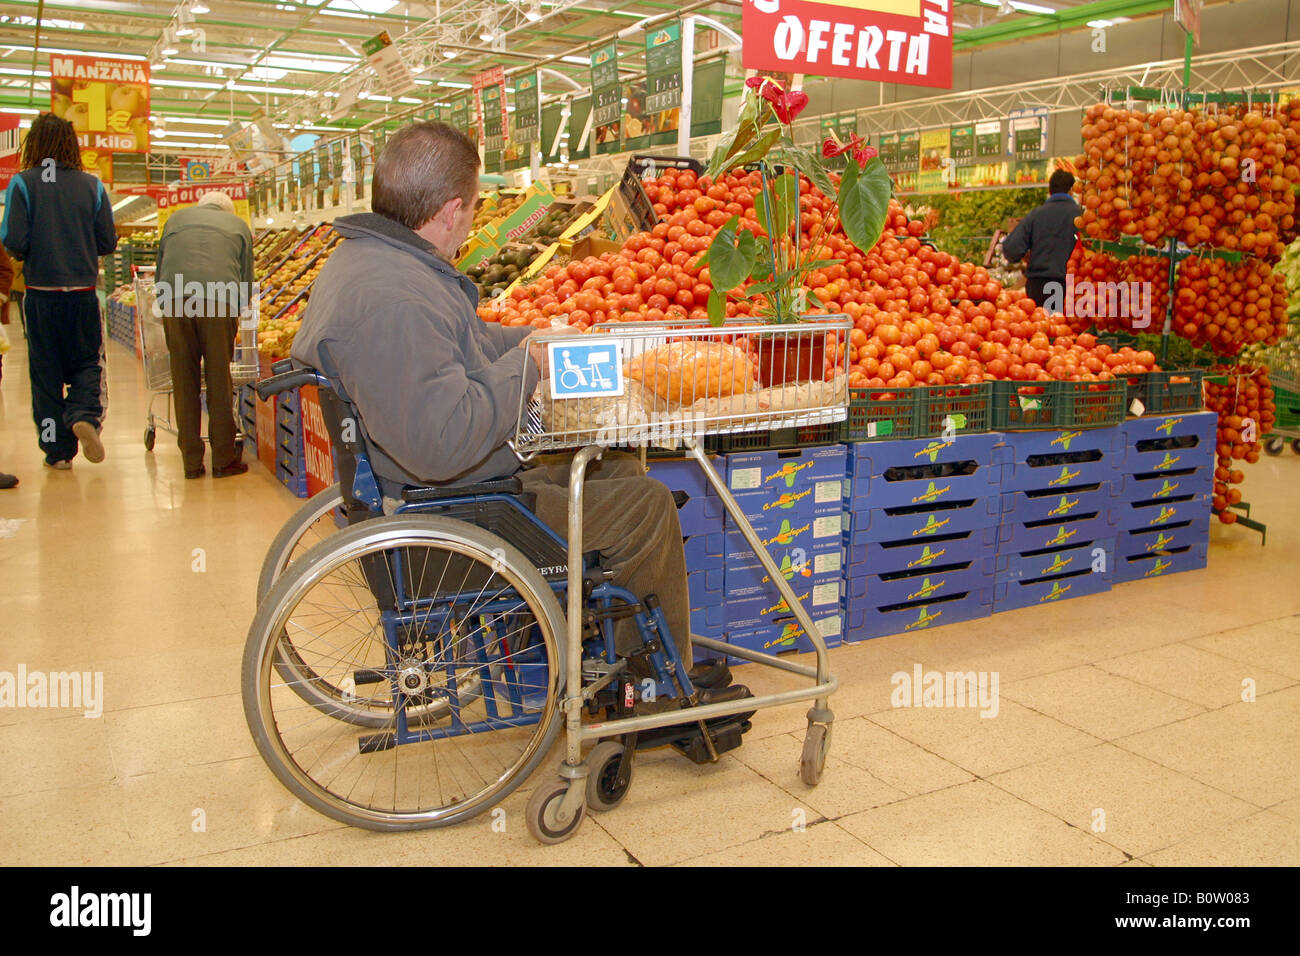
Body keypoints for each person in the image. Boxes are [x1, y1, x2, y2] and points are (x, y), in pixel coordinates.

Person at [291, 120, 740, 707]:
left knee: (615, 470)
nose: (472, 221)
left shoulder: (374, 264)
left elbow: (468, 343)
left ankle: (628, 662)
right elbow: (441, 440)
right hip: (452, 520)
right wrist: (529, 363)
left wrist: (539, 338)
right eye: (474, 208)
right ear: (452, 211)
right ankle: (654, 697)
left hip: (432, 492)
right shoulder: (397, 299)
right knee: (646, 507)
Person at [1, 112, 116, 470]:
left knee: (45, 373)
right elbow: (107, 241)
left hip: (41, 294)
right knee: (86, 362)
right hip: (82, 293)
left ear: (33, 144)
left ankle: (57, 451)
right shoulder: (92, 186)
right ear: (72, 145)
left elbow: (12, 240)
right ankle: (83, 413)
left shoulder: (22, 184)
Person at [154, 190, 253, 479]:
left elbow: (161, 270)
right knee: (218, 378)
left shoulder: (175, 220)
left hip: (174, 298)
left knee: (184, 379)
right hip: (218, 299)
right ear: (227, 210)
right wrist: (237, 310)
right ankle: (223, 461)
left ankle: (191, 464)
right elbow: (246, 279)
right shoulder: (238, 226)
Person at [1000, 169, 1081, 309]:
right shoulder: (1081, 217)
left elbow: (1010, 249)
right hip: (1072, 289)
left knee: (1039, 327)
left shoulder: (1035, 215)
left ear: (1050, 191)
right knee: (1067, 329)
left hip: (1038, 288)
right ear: (1071, 191)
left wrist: (1025, 255)